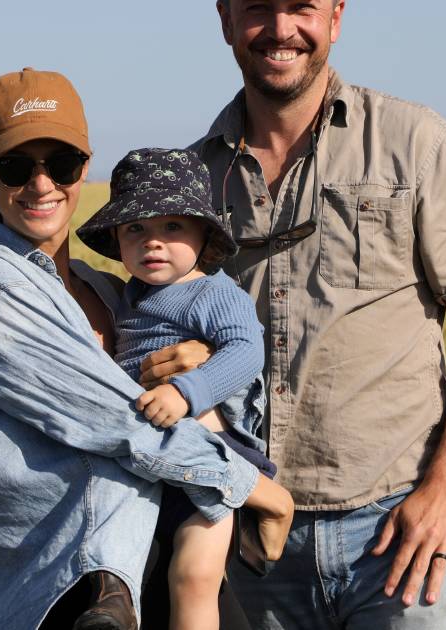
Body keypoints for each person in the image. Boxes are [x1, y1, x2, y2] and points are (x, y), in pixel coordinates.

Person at [185, 1, 446, 628]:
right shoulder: (192, 179)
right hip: (250, 542)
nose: (282, 29)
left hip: (401, 537)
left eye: (302, 8)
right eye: (259, 8)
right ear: (226, 19)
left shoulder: (415, 143)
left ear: (336, 18)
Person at [0, 67, 293, 630]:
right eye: (17, 166)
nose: (43, 184)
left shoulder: (105, 288)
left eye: (61, 164)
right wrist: (263, 493)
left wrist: (203, 364)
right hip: (69, 586)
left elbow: (227, 357)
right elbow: (123, 422)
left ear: (85, 166)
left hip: (154, 549)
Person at [76, 147, 286, 630]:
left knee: (193, 576)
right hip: (149, 467)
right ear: (116, 238)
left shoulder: (212, 292)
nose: (153, 242)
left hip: (212, 463)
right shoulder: (128, 297)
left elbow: (246, 351)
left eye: (172, 227)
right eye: (136, 229)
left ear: (203, 235)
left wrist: (186, 392)